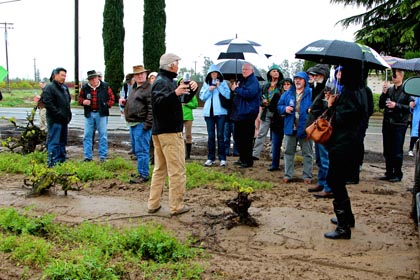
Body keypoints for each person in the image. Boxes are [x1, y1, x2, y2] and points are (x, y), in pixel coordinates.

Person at [323, 62, 370, 240]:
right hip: (354, 143)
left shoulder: (351, 93)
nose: (339, 74)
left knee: (335, 180)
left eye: (343, 71)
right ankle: (347, 219)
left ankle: (344, 228)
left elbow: (343, 118)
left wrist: (332, 105)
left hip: (344, 143)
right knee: (339, 180)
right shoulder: (363, 91)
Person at [148, 53, 198, 216]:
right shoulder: (162, 82)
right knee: (177, 170)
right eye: (177, 63)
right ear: (171, 65)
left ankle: (153, 204)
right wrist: (175, 93)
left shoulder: (167, 81)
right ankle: (177, 206)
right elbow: (159, 104)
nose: (178, 66)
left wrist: (190, 91)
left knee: (160, 169)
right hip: (169, 132)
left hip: (161, 131)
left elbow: (180, 100)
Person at [277, 71, 313, 183]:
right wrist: (285, 109)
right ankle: (288, 175)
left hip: (305, 127)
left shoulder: (311, 93)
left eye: (300, 79)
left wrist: (311, 110)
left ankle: (307, 176)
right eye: (296, 78)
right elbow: (279, 106)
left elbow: (317, 106)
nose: (297, 81)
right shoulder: (287, 93)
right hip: (290, 127)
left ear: (305, 81)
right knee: (288, 152)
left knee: (307, 153)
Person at [378, 68, 412, 182]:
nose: (393, 77)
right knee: (387, 149)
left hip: (399, 123)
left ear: (401, 76)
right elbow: (381, 105)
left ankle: (397, 173)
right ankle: (389, 172)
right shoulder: (390, 90)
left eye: (395, 75)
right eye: (392, 75)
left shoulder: (407, 91)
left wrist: (396, 105)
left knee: (397, 150)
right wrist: (383, 93)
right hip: (388, 122)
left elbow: (410, 107)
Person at [123, 65, 153, 184]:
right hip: (133, 123)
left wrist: (147, 124)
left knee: (142, 150)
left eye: (142, 73)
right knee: (136, 150)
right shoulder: (134, 87)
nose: (140, 76)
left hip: (142, 124)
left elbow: (151, 108)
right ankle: (141, 171)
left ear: (146, 75)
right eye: (137, 74)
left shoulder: (148, 89)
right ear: (134, 77)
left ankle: (144, 175)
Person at [78, 70, 115, 162]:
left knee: (103, 135)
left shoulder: (105, 86)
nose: (93, 80)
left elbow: (112, 99)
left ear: (98, 77)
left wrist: (106, 105)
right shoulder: (85, 88)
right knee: (87, 135)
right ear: (89, 80)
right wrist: (83, 102)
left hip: (101, 114)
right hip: (89, 114)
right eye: (91, 79)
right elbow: (79, 99)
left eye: (94, 78)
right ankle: (88, 157)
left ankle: (103, 156)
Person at [230, 63, 261, 168]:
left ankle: (247, 161)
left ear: (251, 70)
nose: (244, 71)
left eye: (246, 69)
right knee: (238, 137)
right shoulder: (242, 80)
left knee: (246, 138)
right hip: (240, 113)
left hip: (248, 113)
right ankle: (242, 158)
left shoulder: (253, 81)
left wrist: (236, 89)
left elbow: (250, 93)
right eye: (243, 69)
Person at [200, 64, 230, 166]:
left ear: (218, 74)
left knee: (221, 136)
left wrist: (219, 87)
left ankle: (222, 158)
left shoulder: (223, 83)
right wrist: (209, 89)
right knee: (211, 136)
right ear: (209, 74)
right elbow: (202, 97)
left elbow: (227, 95)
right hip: (209, 114)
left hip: (221, 113)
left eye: (215, 73)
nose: (214, 75)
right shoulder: (206, 84)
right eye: (212, 73)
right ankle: (210, 158)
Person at [252, 64, 284, 162]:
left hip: (277, 113)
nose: (276, 72)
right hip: (266, 112)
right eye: (274, 71)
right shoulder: (265, 86)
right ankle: (255, 154)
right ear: (270, 73)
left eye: (278, 71)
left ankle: (274, 155)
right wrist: (263, 102)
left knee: (275, 135)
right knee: (262, 133)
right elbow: (260, 97)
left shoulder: (282, 85)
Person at [307, 82, 334, 198]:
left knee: (325, 160)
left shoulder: (336, 100)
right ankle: (322, 182)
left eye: (328, 92)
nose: (326, 94)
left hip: (327, 132)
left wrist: (330, 105)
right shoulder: (322, 96)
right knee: (319, 159)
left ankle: (328, 187)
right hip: (321, 130)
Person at [42, 67, 72, 167]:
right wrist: (59, 114)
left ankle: (61, 161)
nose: (64, 77)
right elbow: (48, 104)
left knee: (62, 142)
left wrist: (68, 115)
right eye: (62, 75)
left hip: (64, 120)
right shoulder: (49, 87)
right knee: (54, 142)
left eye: (65, 76)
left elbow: (68, 101)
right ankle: (52, 162)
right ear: (55, 75)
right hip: (55, 120)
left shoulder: (64, 88)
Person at [267, 77, 290, 171]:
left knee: (288, 146)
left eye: (288, 84)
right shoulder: (277, 95)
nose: (286, 86)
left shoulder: (294, 96)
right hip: (277, 123)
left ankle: (288, 166)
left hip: (289, 123)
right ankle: (274, 164)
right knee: (276, 144)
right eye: (284, 84)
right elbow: (271, 107)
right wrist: (281, 109)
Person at [178, 77, 198, 160]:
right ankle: (180, 153)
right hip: (179, 117)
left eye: (184, 82)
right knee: (179, 136)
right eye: (181, 82)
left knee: (188, 135)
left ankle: (188, 155)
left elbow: (195, 104)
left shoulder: (190, 93)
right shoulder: (177, 93)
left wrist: (187, 104)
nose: (182, 83)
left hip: (188, 117)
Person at [119, 73, 135, 156]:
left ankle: (137, 150)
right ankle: (133, 148)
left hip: (136, 112)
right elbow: (122, 97)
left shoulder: (139, 87)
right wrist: (121, 109)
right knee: (131, 131)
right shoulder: (125, 86)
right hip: (128, 111)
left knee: (137, 133)